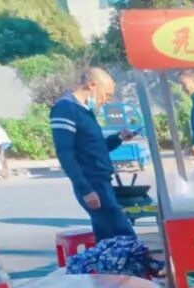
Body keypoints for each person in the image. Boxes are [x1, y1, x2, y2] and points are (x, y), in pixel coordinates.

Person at [49, 67, 136, 242]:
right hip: (92, 183)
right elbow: (65, 153)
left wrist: (118, 138)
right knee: (124, 238)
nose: (107, 100)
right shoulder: (65, 108)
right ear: (91, 84)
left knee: (109, 240)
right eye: (107, 94)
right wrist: (86, 190)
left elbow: (95, 148)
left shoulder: (84, 110)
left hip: (102, 181)